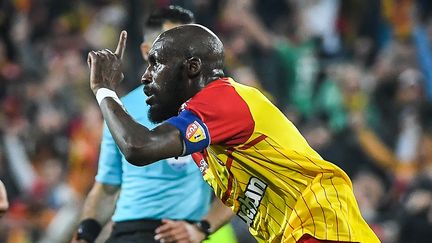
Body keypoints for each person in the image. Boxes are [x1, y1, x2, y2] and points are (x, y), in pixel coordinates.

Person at [86, 24, 380, 243]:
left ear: (192, 67)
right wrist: (201, 227)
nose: (145, 76)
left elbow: (138, 147)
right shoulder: (205, 133)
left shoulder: (222, 100)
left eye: (156, 63)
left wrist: (104, 89)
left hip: (322, 225)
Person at [73, 6, 237, 243]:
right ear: (148, 52)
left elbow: (240, 185)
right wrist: (85, 234)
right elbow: (107, 187)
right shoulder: (120, 109)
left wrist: (201, 228)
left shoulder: (214, 108)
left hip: (183, 232)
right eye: (173, 46)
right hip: (128, 231)